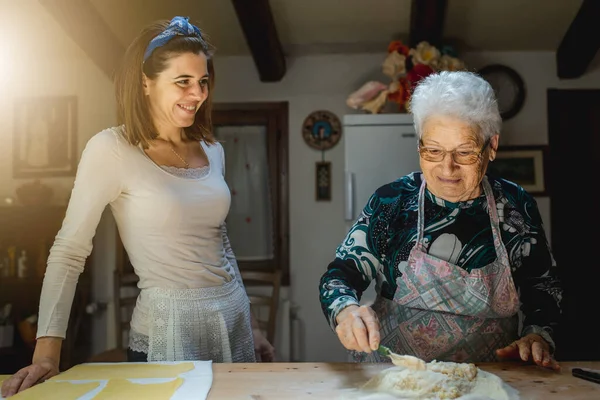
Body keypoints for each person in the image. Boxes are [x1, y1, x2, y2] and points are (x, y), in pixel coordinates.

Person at [2, 16, 274, 397]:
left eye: (203, 82)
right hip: (169, 327)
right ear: (146, 82)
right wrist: (47, 352)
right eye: (183, 81)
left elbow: (219, 240)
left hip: (233, 318)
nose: (197, 94)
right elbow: (69, 251)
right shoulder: (111, 149)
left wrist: (254, 325)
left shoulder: (214, 150)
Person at [319, 71, 563, 370]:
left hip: (489, 379)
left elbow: (543, 285)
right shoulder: (392, 201)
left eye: (464, 152)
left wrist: (537, 334)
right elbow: (341, 275)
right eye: (433, 150)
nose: (447, 167)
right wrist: (345, 310)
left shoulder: (515, 206)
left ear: (492, 146)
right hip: (394, 377)